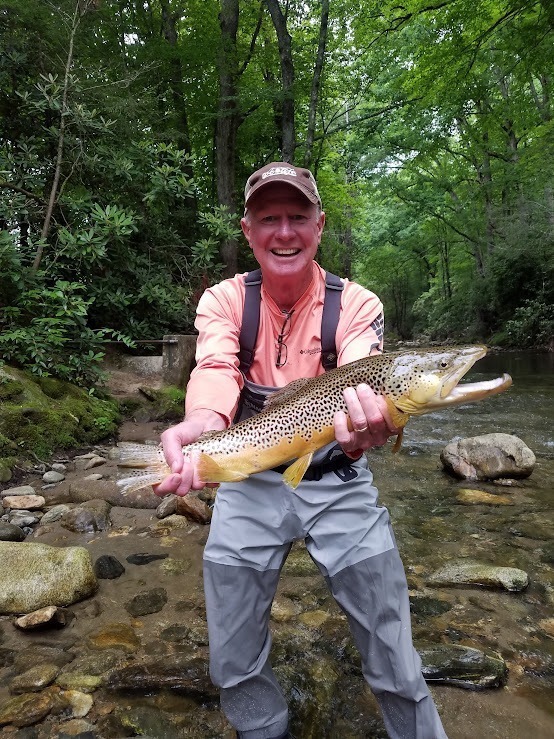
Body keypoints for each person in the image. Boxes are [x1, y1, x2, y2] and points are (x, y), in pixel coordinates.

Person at [156, 162, 448, 739]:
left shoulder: (357, 304)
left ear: (320, 225)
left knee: (394, 651)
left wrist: (378, 417)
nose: (284, 232)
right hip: (248, 480)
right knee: (233, 655)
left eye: (297, 217)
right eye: (269, 219)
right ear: (247, 230)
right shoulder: (223, 300)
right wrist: (201, 423)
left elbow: (369, 366)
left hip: (340, 481)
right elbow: (215, 367)